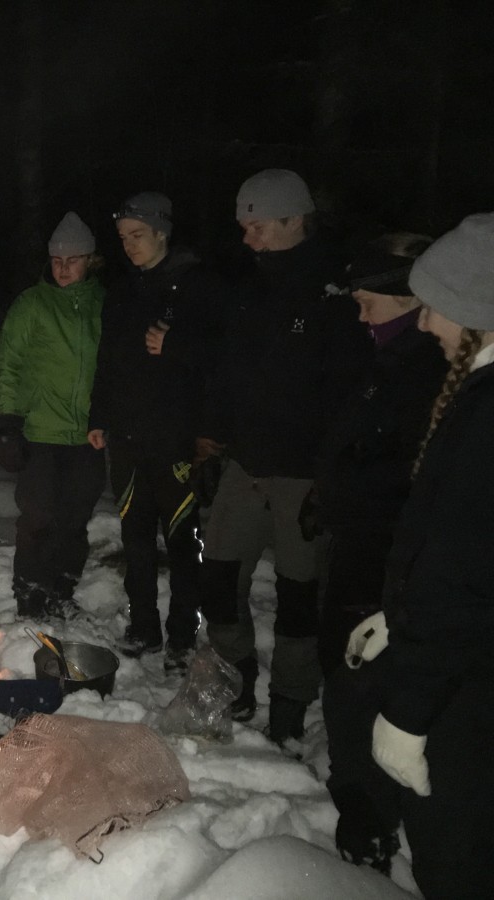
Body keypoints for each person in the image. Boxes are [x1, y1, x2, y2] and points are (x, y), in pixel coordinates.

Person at [327, 213, 494, 898]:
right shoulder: (476, 394)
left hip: (465, 689)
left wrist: (408, 714)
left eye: (436, 307)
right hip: (452, 663)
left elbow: (461, 580)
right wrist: (398, 617)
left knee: (457, 860)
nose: (424, 324)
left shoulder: (486, 415)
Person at [197, 169, 370, 740]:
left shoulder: (335, 293)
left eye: (259, 227)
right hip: (245, 464)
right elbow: (227, 372)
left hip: (303, 475)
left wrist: (331, 478)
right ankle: (236, 680)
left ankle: (290, 708)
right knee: (219, 579)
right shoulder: (249, 288)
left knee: (299, 598)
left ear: (295, 220)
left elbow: (349, 394)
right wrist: (211, 437)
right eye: (244, 228)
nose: (248, 239)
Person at [88, 192, 224, 675]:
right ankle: (143, 626)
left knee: (183, 540)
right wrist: (99, 417)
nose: (129, 245)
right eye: (123, 237)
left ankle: (182, 635)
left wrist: (177, 345)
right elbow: (108, 361)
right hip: (128, 438)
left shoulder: (196, 285)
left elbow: (220, 358)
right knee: (136, 538)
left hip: (176, 439)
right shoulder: (123, 291)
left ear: (162, 233)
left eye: (138, 235)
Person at [311, 234, 446, 679]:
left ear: (408, 298)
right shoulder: (383, 356)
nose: (362, 315)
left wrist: (347, 485)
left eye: (368, 303)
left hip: (383, 547)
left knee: (356, 658)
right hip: (355, 532)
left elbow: (412, 469)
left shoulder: (428, 370)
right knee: (338, 645)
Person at [0, 211, 106, 619]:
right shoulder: (32, 304)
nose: (63, 268)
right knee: (38, 518)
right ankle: (30, 595)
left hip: (88, 436)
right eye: (57, 260)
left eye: (72, 260)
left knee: (74, 520)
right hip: (39, 431)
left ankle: (61, 591)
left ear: (90, 260)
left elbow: (117, 368)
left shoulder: (105, 304)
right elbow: (8, 363)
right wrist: (8, 422)